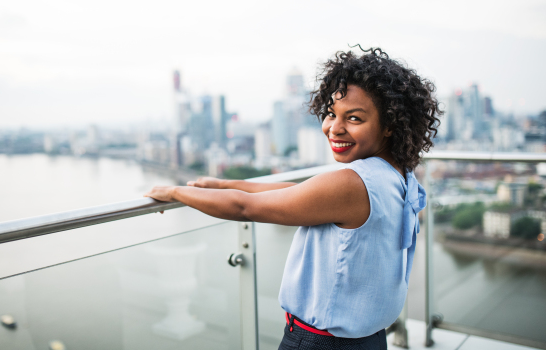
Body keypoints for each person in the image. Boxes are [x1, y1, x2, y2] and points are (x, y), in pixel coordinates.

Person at [144, 47, 442, 350]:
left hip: (320, 343)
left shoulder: (354, 183)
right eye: (330, 113)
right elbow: (297, 194)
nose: (334, 128)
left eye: (353, 118)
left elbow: (244, 208)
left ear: (390, 124)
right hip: (369, 339)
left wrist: (175, 192)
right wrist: (223, 184)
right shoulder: (397, 175)